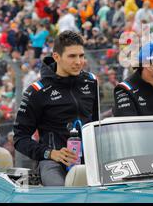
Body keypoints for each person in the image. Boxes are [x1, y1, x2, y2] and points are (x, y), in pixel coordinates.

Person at [13, 31, 99, 186]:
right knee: (63, 196)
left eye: (81, 56)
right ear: (56, 57)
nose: (79, 62)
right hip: (53, 163)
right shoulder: (36, 91)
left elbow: (96, 124)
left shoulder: (91, 82)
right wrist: (51, 153)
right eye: (72, 56)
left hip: (91, 160)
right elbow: (20, 138)